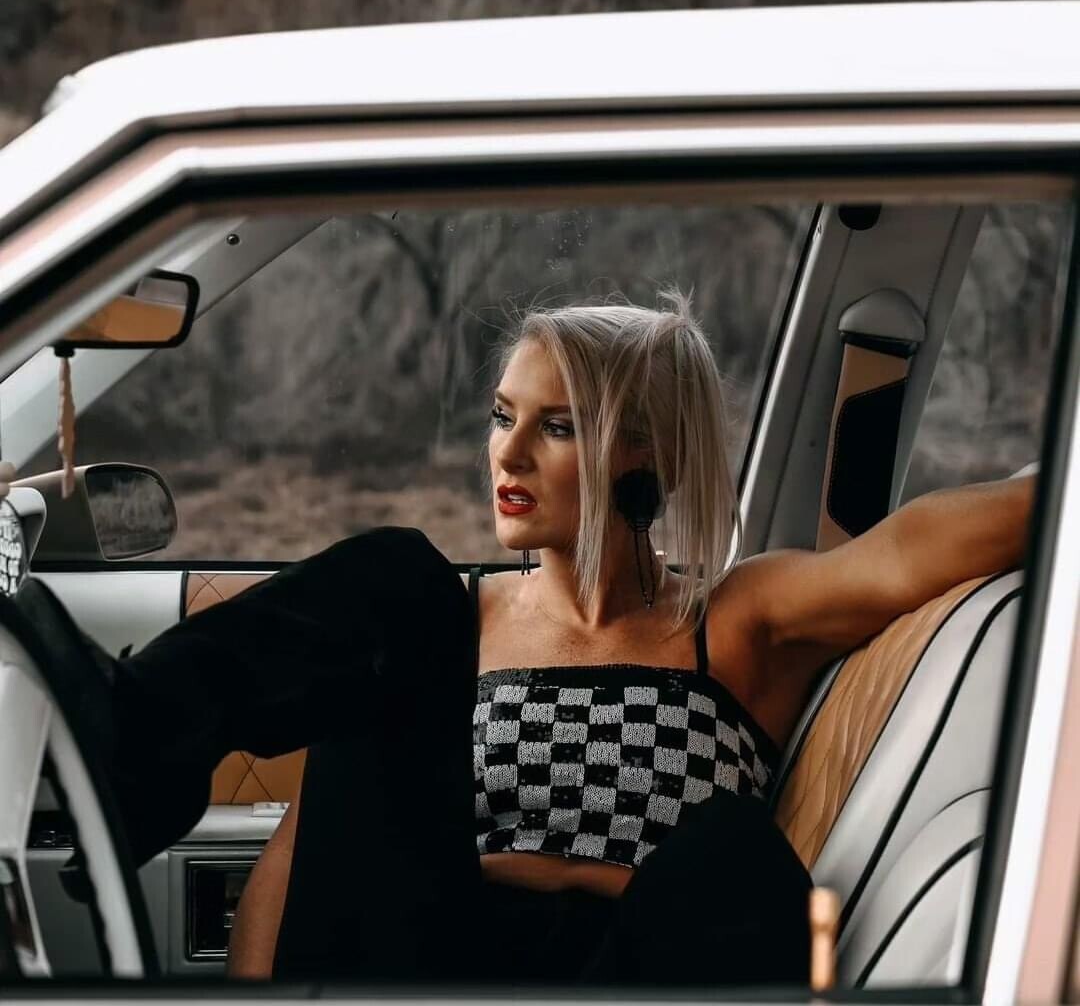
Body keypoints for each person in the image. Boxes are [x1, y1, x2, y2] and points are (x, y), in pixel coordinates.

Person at [0, 292, 1035, 989]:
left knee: (738, 854)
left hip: (626, 983)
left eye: (559, 425)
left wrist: (542, 874)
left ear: (649, 455)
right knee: (398, 575)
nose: (509, 453)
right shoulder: (449, 624)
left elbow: (923, 547)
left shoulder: (734, 620)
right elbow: (310, 849)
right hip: (433, 974)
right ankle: (126, 747)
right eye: (502, 416)